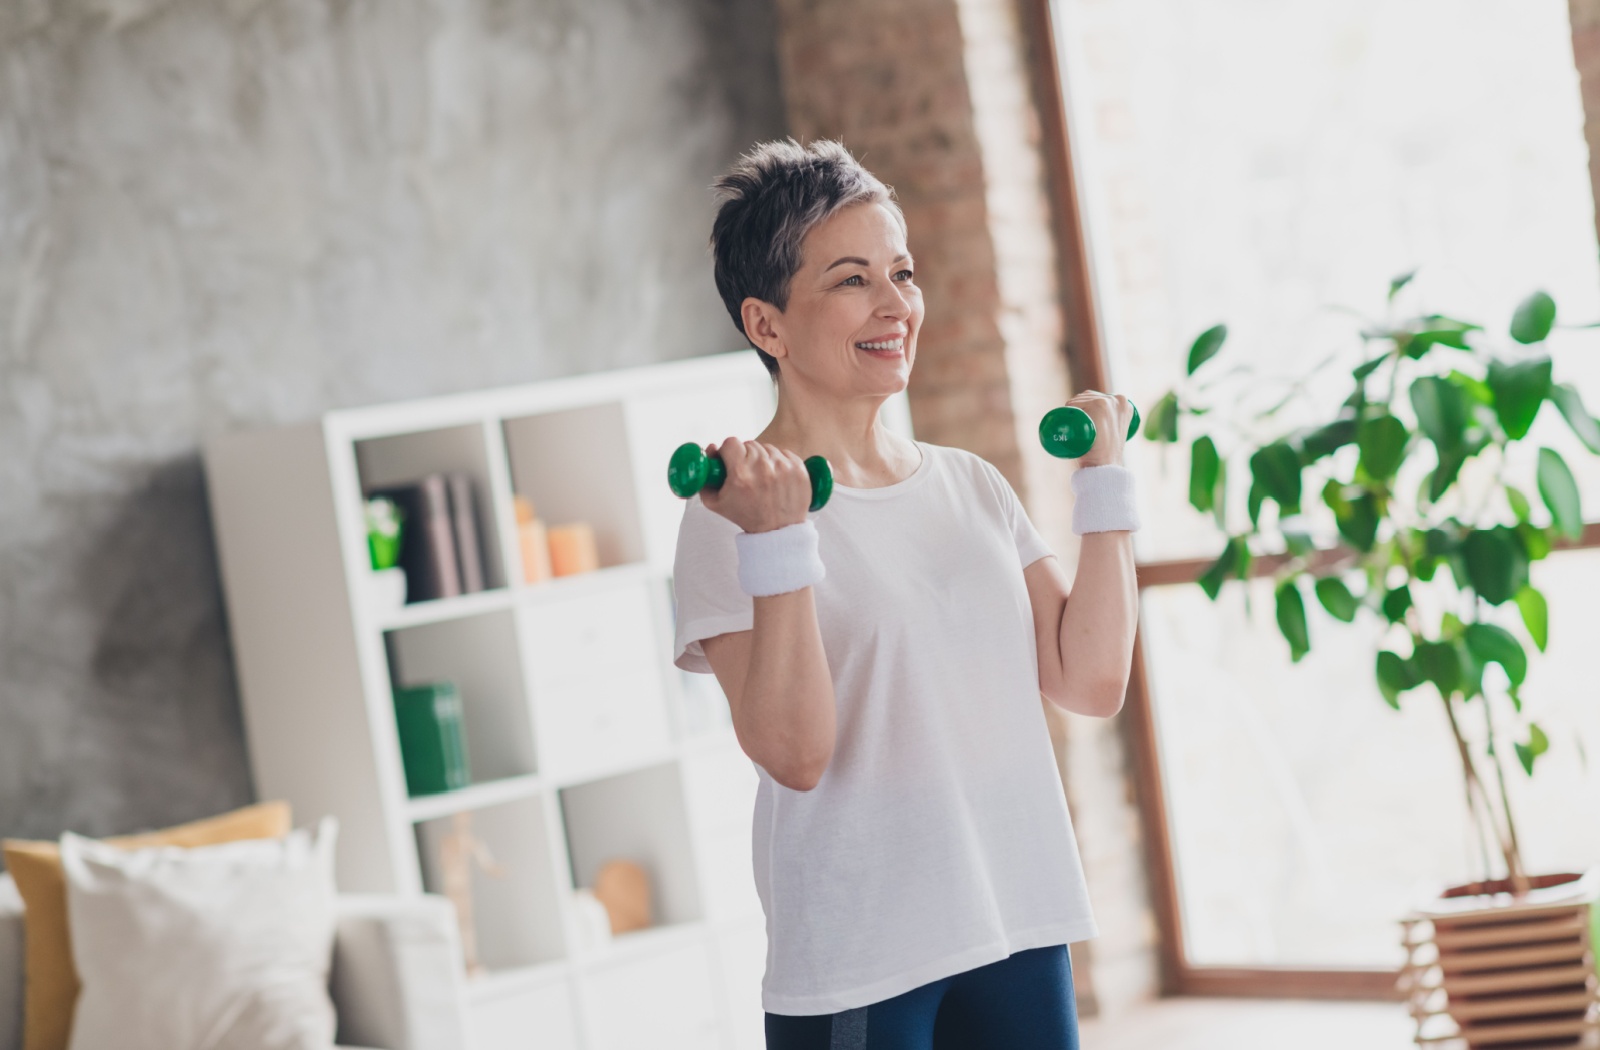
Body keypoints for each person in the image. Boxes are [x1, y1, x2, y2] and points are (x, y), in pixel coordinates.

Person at [671, 138, 1141, 1050]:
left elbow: (1089, 679)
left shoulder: (969, 485)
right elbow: (795, 753)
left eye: (903, 272)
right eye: (852, 281)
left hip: (1017, 919)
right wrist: (778, 541)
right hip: (866, 955)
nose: (896, 306)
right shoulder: (733, 515)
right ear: (766, 325)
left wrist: (1106, 485)